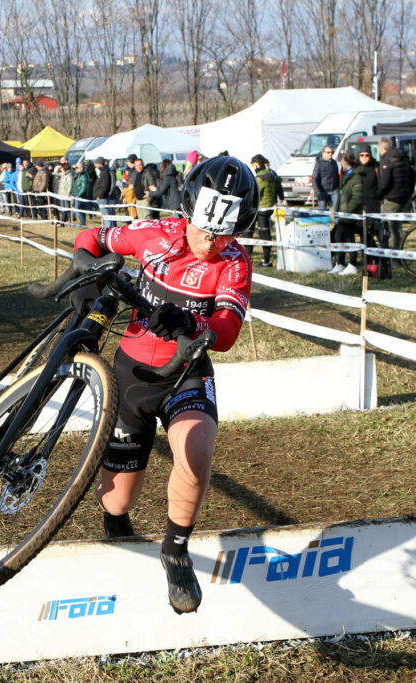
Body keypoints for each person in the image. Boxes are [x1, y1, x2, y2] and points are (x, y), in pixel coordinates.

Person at [71, 156, 258, 615]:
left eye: (223, 233)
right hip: (131, 375)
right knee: (116, 502)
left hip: (185, 373)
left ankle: (175, 551)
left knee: (195, 449)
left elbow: (228, 332)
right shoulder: (156, 234)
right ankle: (116, 531)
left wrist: (193, 323)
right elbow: (91, 238)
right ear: (188, 209)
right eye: (203, 229)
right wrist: (83, 267)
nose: (211, 241)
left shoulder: (234, 262)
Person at [376, 137, 414, 278]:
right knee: (397, 228)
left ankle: (392, 257)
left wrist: (379, 194)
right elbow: (412, 175)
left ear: (382, 148)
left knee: (389, 228)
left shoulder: (387, 161)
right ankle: (398, 254)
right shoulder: (403, 158)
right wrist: (409, 193)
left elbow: (385, 183)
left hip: (391, 198)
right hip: (403, 197)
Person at [329, 152, 363, 275]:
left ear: (345, 162)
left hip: (349, 214)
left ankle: (352, 264)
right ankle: (340, 263)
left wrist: (347, 211)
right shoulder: (346, 176)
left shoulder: (356, 177)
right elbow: (342, 194)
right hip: (342, 212)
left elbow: (357, 197)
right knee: (339, 237)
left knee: (348, 239)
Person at [249, 154, 283, 267]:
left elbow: (254, 193)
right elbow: (279, 183)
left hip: (259, 208)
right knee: (265, 233)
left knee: (250, 233)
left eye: (253, 165)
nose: (253, 168)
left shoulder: (259, 178)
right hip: (269, 206)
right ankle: (266, 259)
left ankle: (250, 258)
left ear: (257, 165)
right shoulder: (272, 175)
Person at [311, 145, 339, 210]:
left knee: (337, 211)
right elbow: (314, 179)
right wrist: (318, 193)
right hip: (322, 192)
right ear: (323, 153)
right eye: (328, 152)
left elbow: (337, 176)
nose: (330, 154)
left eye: (332, 152)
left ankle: (337, 220)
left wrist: (338, 187)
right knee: (323, 212)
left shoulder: (334, 163)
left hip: (334, 191)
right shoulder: (319, 163)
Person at [92, 156, 116, 228]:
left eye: (96, 163)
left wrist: (100, 195)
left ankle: (108, 229)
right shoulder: (102, 172)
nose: (95, 165)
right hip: (102, 197)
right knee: (107, 215)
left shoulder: (105, 173)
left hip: (103, 197)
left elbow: (105, 186)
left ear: (99, 164)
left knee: (106, 216)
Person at [71, 160, 92, 227]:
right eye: (76, 168)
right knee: (78, 209)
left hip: (80, 195)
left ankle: (83, 223)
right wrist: (73, 167)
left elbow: (84, 187)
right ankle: (82, 222)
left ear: (81, 168)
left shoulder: (84, 176)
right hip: (75, 194)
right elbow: (73, 172)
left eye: (78, 168)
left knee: (78, 210)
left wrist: (79, 195)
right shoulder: (78, 174)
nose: (76, 169)